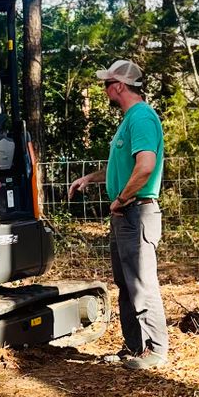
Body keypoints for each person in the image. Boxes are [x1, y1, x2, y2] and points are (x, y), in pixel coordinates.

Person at [68, 59, 169, 370]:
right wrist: (92, 178)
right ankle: (134, 346)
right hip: (126, 212)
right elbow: (123, 167)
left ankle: (156, 349)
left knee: (141, 281)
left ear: (120, 86)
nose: (105, 90)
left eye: (107, 84)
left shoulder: (141, 118)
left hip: (136, 212)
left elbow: (146, 167)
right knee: (126, 282)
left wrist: (121, 200)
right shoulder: (129, 120)